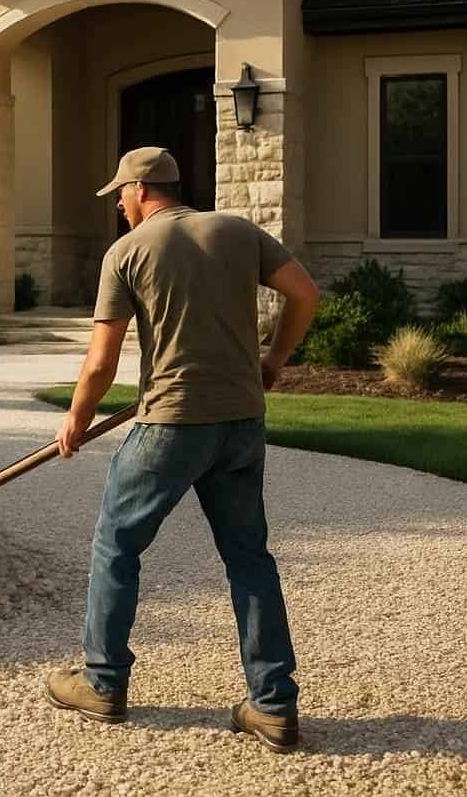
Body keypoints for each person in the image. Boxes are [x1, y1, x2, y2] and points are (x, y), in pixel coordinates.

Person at [43, 145, 320, 753]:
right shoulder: (238, 231)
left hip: (171, 423)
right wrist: (274, 358)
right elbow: (304, 293)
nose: (118, 205)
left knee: (116, 544)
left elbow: (101, 361)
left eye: (120, 193)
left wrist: (76, 419)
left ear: (142, 189)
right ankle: (273, 706)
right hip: (241, 422)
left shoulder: (128, 251)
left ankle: (103, 682)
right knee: (249, 558)